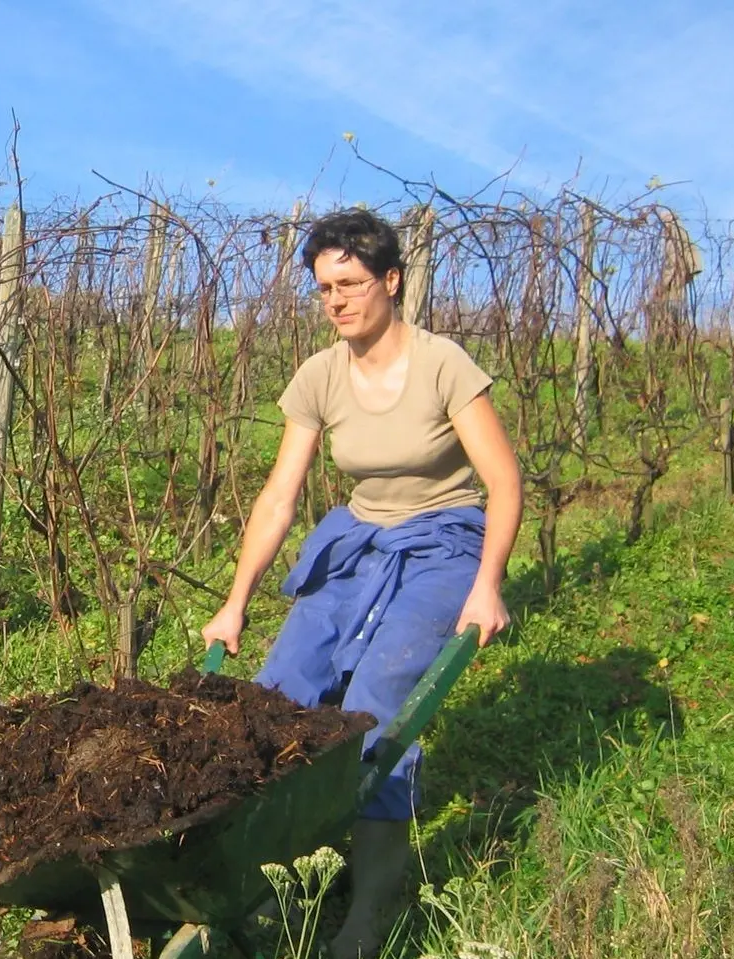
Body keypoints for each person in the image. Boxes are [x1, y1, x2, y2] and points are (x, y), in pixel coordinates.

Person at [200, 208, 522, 957]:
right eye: (323, 288)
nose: (336, 301)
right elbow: (279, 497)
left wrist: (488, 584)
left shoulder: (443, 365)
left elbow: (505, 482)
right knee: (276, 697)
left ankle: (369, 912)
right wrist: (234, 602)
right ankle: (271, 884)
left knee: (377, 711)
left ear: (391, 280)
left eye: (349, 284)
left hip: (443, 544)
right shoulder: (320, 375)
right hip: (355, 543)